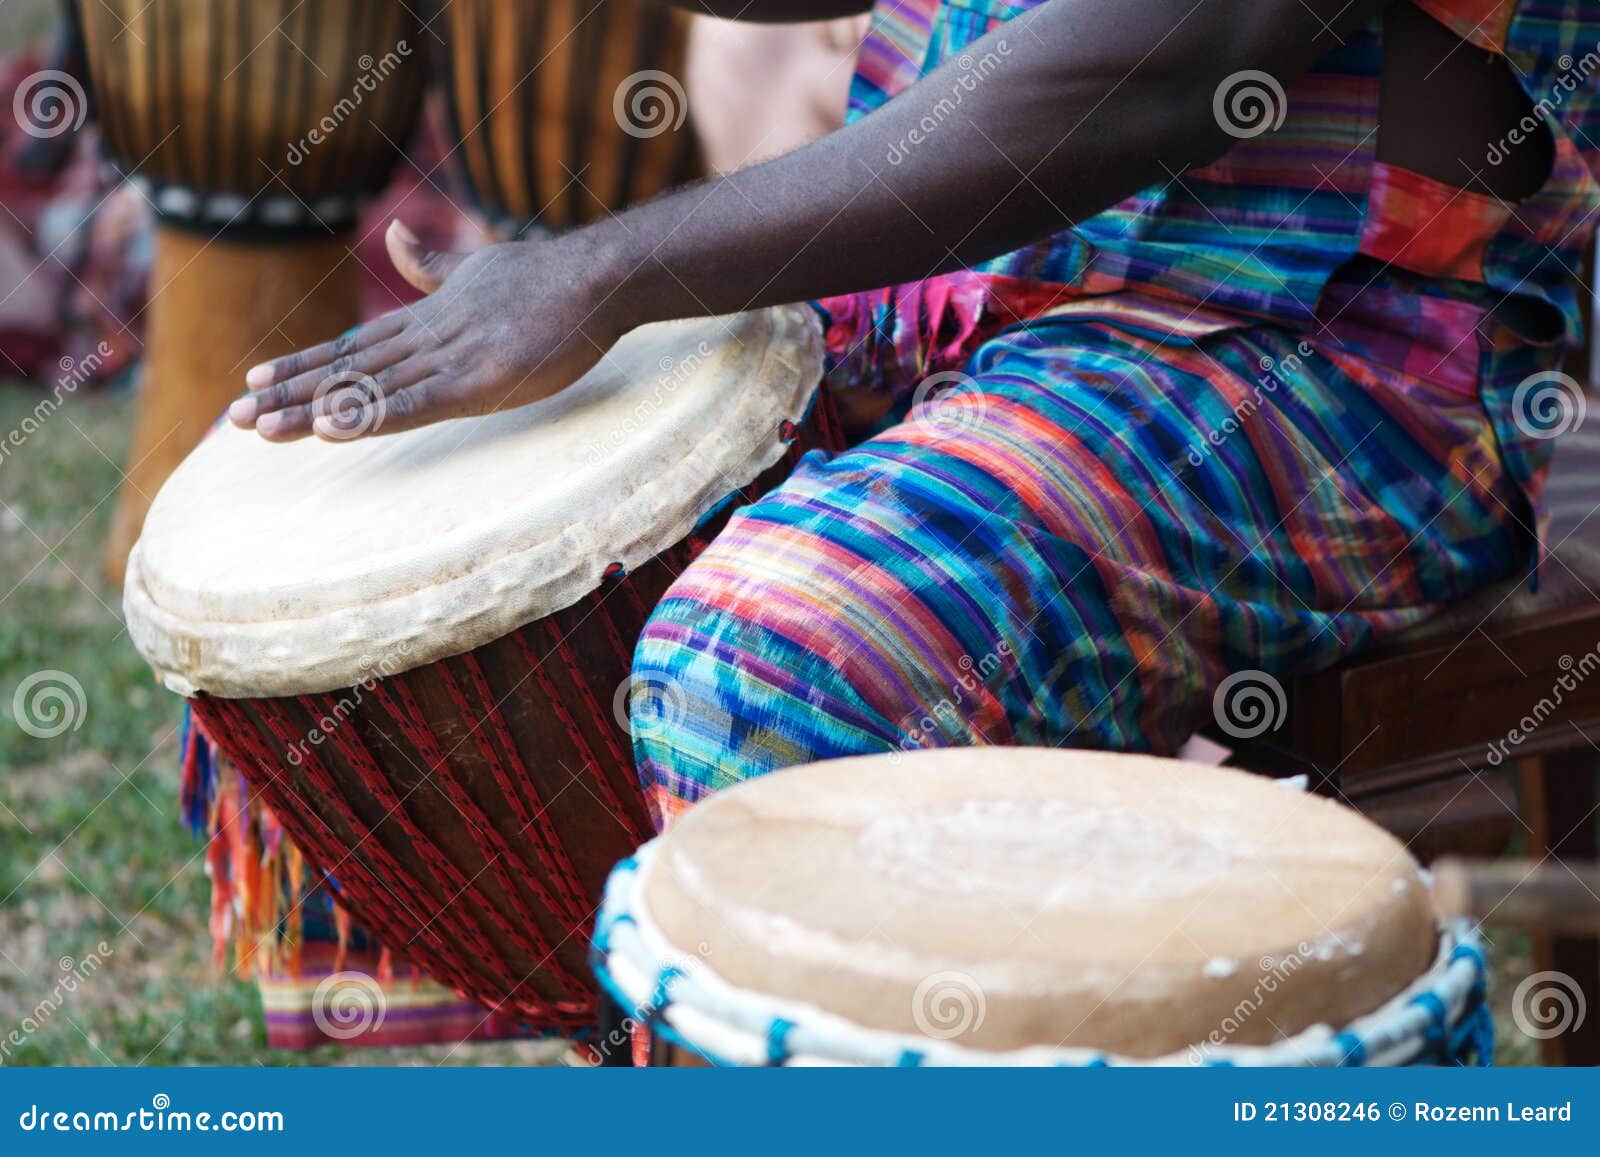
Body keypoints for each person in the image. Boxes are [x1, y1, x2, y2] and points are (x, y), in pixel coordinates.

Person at [229, 0, 1597, 828]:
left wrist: (604, 271)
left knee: (785, 660)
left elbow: (1164, 61)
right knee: (374, 601)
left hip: (1327, 365)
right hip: (945, 319)